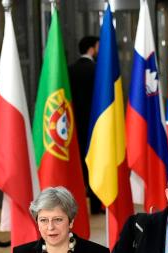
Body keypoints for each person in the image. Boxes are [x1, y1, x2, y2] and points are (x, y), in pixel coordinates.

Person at [68, 35, 103, 216]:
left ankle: (75, 206)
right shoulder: (97, 70)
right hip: (95, 126)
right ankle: (96, 206)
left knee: (78, 166)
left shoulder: (69, 70)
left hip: (73, 126)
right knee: (95, 164)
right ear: (92, 48)